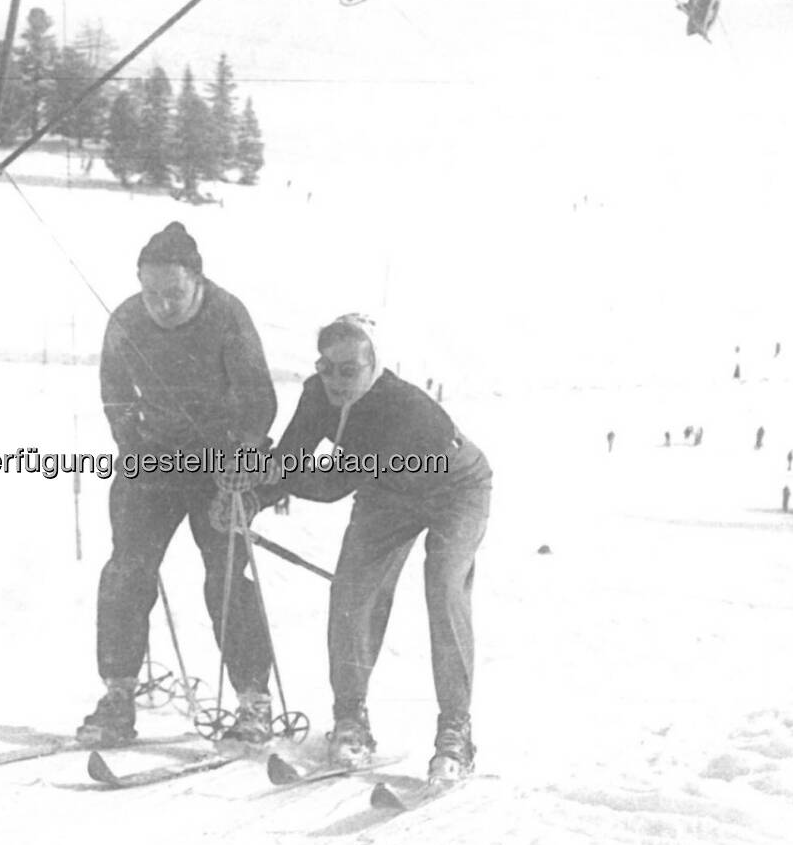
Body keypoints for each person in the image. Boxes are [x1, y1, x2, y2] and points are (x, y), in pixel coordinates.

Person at [249, 314, 494, 783]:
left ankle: (455, 733)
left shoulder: (404, 409)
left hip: (455, 488)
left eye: (349, 369)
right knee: (352, 592)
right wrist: (253, 495)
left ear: (373, 365)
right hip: (388, 493)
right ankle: (350, 719)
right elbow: (292, 457)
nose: (335, 380)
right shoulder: (317, 393)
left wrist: (272, 479)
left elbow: (331, 484)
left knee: (443, 587)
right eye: (327, 367)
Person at [77, 222, 278, 748]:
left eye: (174, 294)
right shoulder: (125, 318)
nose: (162, 305)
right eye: (151, 293)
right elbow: (115, 393)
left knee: (226, 576)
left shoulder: (227, 316)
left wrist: (241, 453)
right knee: (127, 570)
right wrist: (131, 441)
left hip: (220, 462)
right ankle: (119, 693)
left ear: (198, 283)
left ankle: (254, 700)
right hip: (155, 458)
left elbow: (259, 399)